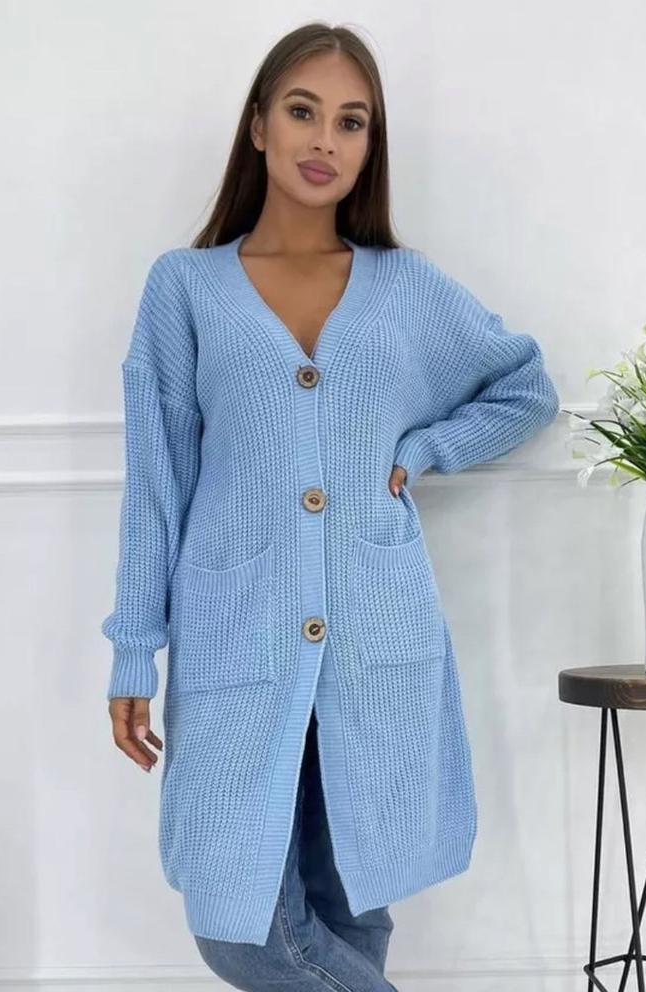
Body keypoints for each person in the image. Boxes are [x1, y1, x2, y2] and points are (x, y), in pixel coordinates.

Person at [101, 20, 560, 992]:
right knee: (241, 933)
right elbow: (155, 486)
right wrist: (134, 648)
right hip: (238, 641)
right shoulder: (186, 288)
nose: (325, 140)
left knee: (350, 908)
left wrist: (425, 449)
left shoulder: (404, 286)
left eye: (351, 122)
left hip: (375, 644)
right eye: (303, 111)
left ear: (369, 145)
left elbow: (523, 387)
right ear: (258, 125)